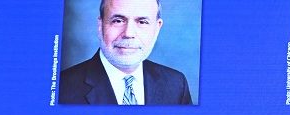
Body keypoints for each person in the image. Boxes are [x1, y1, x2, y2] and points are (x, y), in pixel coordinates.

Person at [60, 0, 192, 105]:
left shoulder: (176, 84)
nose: (128, 33)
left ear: (157, 28)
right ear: (100, 26)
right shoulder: (62, 88)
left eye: (142, 22)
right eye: (118, 21)